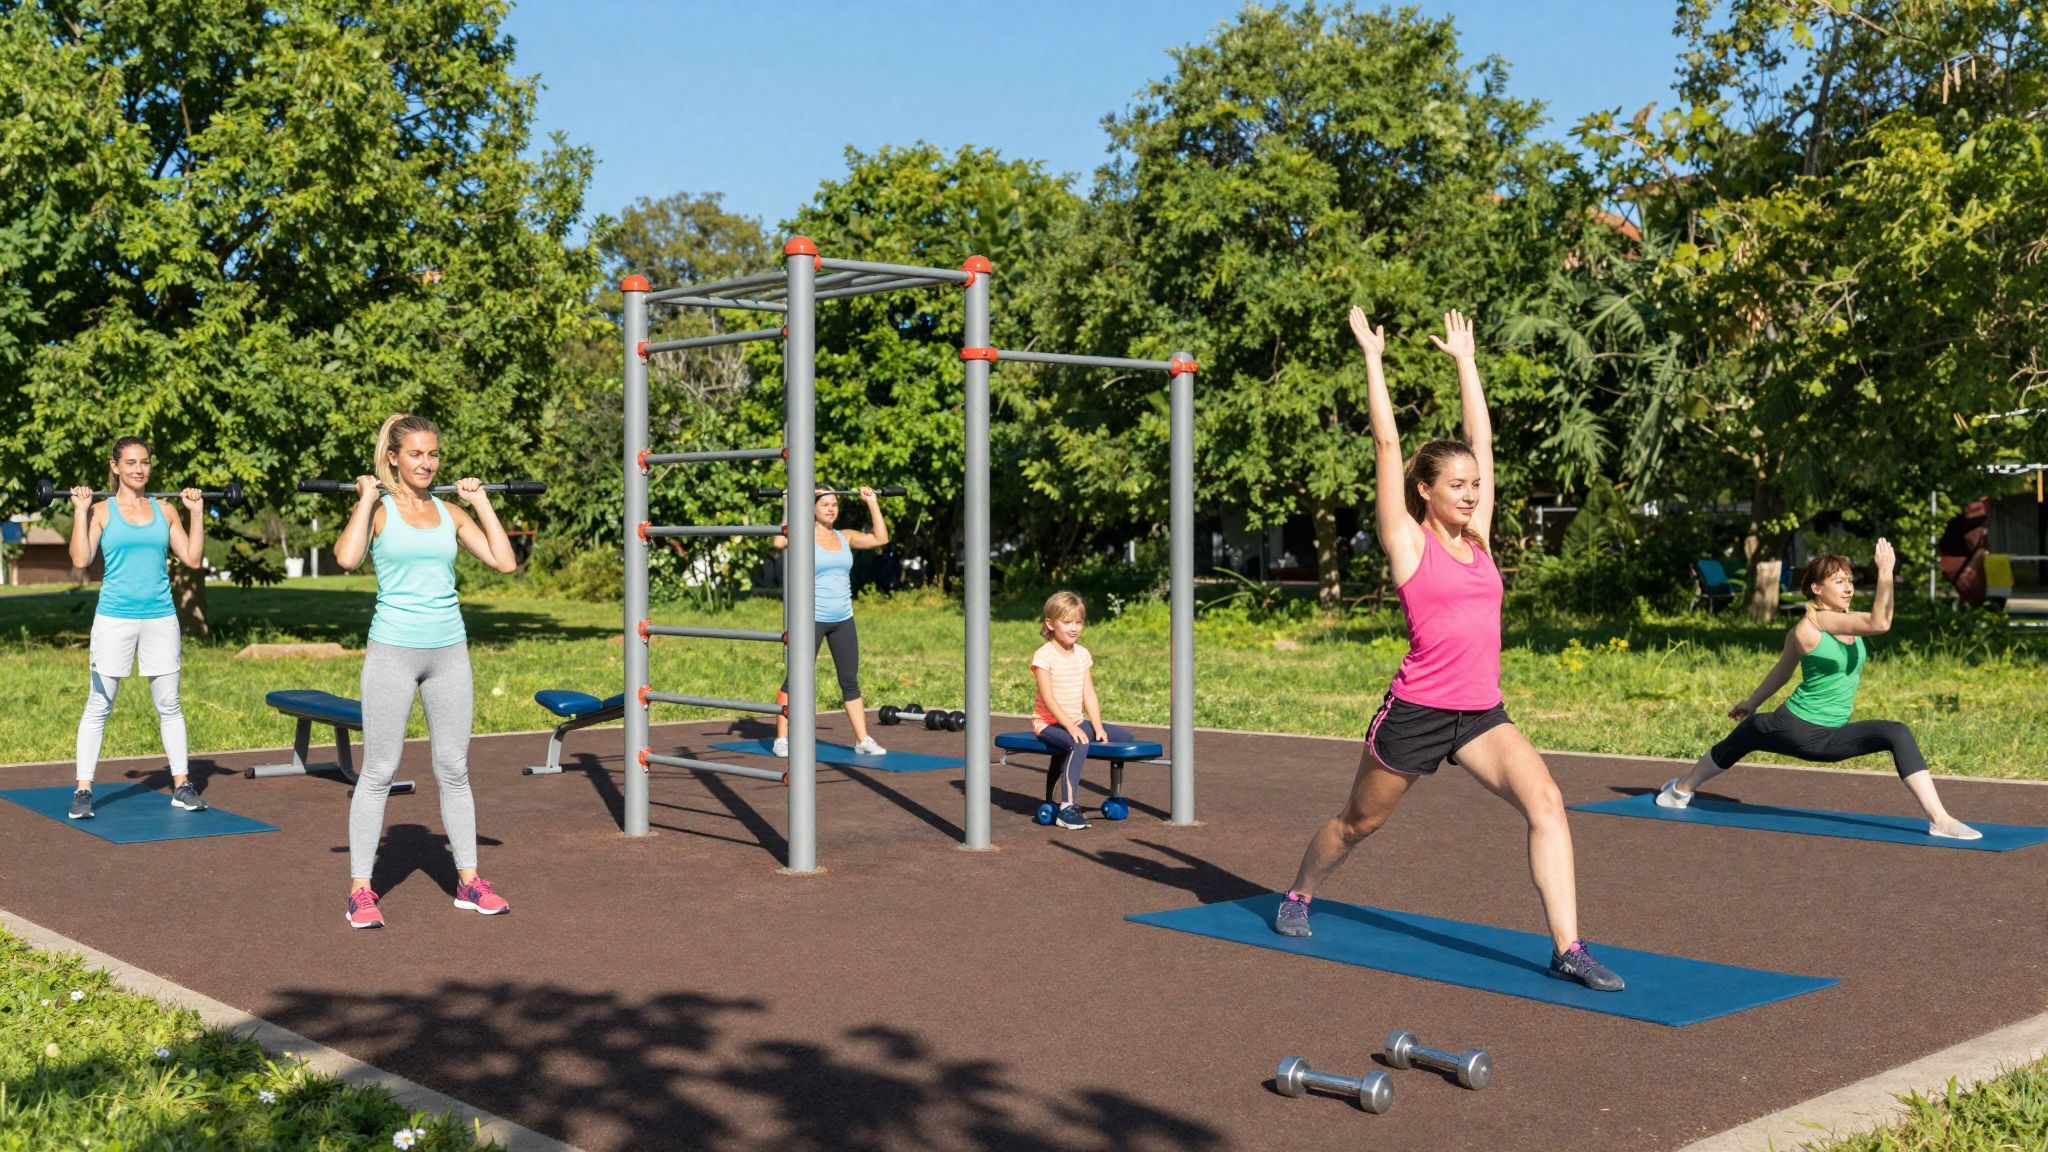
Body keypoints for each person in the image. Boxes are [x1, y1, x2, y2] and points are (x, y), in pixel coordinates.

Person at [1274, 308, 1624, 992]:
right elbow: (1384, 443)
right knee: (1357, 824)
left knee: (1547, 802)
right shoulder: (1407, 544)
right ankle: (1298, 892)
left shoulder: (1482, 537)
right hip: (1416, 712)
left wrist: (1467, 363)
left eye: (1475, 487)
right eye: (1457, 487)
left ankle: (1568, 946)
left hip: (1480, 715)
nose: (1471, 494)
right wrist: (1373, 360)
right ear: (1425, 491)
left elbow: (1482, 443)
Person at [334, 413, 520, 929]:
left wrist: (480, 502)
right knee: (379, 770)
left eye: (433, 454)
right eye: (415, 454)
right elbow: (347, 559)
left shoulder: (451, 512)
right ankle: (361, 890)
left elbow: (504, 562)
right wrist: (367, 497)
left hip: (448, 653)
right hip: (393, 651)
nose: (427, 462)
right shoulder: (379, 509)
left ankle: (469, 882)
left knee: (454, 768)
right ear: (393, 457)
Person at [1657, 540, 1979, 839]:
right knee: (1748, 733)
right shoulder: (1815, 624)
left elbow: (1782, 671)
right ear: (1816, 588)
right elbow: (1880, 624)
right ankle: (1680, 790)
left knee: (1896, 733)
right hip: (1796, 725)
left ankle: (1940, 819)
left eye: (1850, 580)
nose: (1849, 587)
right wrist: (1885, 571)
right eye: (1839, 581)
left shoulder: (1845, 621)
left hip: (1830, 735)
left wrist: (1752, 701)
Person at [66, 437, 206, 820]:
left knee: (170, 704)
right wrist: (80, 511)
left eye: (144, 462)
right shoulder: (100, 510)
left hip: (160, 616)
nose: (138, 469)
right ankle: (83, 790)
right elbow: (80, 558)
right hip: (115, 617)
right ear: (115, 467)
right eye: (129, 463)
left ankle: (182, 784)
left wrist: (196, 511)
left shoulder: (166, 509)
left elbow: (192, 558)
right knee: (100, 704)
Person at [772, 487, 890, 758]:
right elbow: (780, 543)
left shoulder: (844, 536)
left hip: (843, 619)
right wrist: (790, 502)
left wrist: (872, 503)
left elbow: (880, 538)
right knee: (796, 680)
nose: (831, 509)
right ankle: (781, 738)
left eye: (834, 504)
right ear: (812, 508)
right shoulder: (802, 535)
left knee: (850, 681)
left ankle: (862, 739)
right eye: (825, 504)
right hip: (810, 620)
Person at [1030, 591, 1135, 830]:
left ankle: (1115, 794)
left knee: (1123, 738)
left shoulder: (1082, 654)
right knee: (1079, 742)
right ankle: (1067, 807)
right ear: (1050, 623)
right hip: (1048, 723)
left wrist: (1097, 725)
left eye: (1079, 622)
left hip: (1075, 721)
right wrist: (1070, 727)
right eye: (1067, 622)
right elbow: (1048, 698)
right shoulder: (1044, 656)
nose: (1074, 628)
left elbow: (1089, 693)